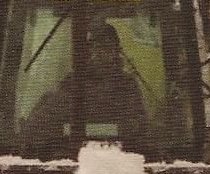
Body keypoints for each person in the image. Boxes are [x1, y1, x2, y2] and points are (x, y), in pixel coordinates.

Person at [20, 22, 150, 159]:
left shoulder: (128, 87)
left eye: (105, 47)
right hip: (68, 161)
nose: (97, 53)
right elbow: (41, 127)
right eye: (91, 48)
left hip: (119, 162)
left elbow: (139, 131)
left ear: (116, 51)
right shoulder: (70, 85)